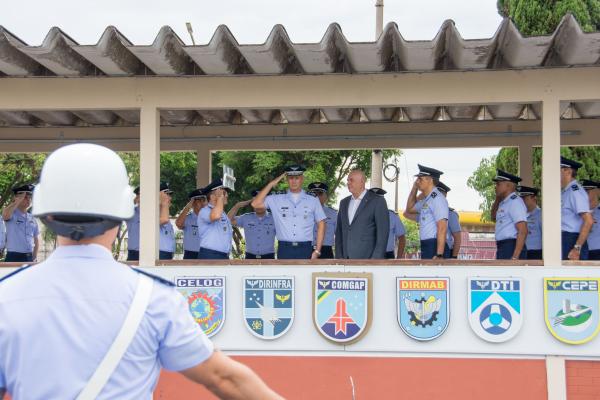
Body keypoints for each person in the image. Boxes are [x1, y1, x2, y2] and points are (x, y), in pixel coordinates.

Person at [0, 143, 282, 400]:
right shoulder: (154, 298)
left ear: (45, 212)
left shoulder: (6, 296)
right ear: (122, 209)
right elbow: (225, 379)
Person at [252, 165, 326, 259]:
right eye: (291, 178)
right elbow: (255, 204)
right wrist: (271, 184)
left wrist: (317, 251)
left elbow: (322, 224)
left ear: (302, 179)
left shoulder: (312, 199)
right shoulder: (276, 198)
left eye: (297, 178)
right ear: (286, 179)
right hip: (284, 248)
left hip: (305, 248)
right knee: (284, 274)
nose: (294, 181)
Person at [335, 169, 389, 259]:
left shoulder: (377, 201)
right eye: (347, 180)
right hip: (345, 260)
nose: (348, 183)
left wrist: (375, 260)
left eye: (351, 180)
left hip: (367, 260)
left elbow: (382, 235)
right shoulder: (344, 202)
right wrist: (339, 257)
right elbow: (339, 233)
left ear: (362, 182)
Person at [404, 165, 448, 260]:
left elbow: (442, 227)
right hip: (426, 244)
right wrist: (414, 188)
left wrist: (439, 254)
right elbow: (409, 209)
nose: (417, 181)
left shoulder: (437, 199)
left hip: (434, 245)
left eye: (420, 179)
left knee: (434, 275)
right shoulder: (427, 200)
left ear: (430, 180)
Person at [126, 183, 176, 261]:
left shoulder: (158, 211)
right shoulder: (134, 212)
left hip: (164, 253)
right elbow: (164, 219)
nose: (168, 197)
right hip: (137, 253)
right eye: (166, 194)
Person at [560, 156, 593, 260]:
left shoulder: (575, 192)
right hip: (566, 239)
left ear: (568, 171)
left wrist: (577, 248)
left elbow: (588, 221)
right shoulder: (567, 191)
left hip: (572, 240)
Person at [491, 170, 528, 260]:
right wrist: (497, 199)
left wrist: (515, 256)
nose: (495, 187)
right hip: (503, 246)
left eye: (498, 184)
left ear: (508, 185)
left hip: (511, 246)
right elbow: (493, 217)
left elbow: (523, 230)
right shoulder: (503, 203)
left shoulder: (515, 202)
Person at [229, 191, 276, 259]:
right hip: (250, 257)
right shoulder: (246, 218)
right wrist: (238, 205)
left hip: (268, 257)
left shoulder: (274, 218)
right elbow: (229, 220)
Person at [1, 184, 39, 262]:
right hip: (13, 256)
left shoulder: (32, 217)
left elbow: (36, 239)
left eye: (29, 197)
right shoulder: (11, 213)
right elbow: (5, 215)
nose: (28, 199)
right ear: (17, 198)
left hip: (29, 257)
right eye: (25, 197)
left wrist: (34, 257)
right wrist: (17, 201)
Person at [197, 179, 233, 260]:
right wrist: (220, 197)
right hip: (210, 255)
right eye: (224, 193)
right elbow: (215, 216)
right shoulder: (205, 211)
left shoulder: (223, 213)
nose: (226, 195)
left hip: (223, 255)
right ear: (213, 197)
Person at [370, 188, 406, 259]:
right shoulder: (364, 216)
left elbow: (402, 238)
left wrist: (398, 259)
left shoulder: (392, 216)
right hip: (369, 255)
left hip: (387, 255)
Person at [175, 188, 208, 259]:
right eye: (199, 200)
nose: (202, 203)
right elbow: (178, 224)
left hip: (205, 253)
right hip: (190, 254)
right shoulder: (188, 218)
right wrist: (188, 207)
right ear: (193, 203)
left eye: (204, 200)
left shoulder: (209, 218)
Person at [308, 182, 337, 259]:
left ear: (326, 196)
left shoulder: (333, 213)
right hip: (307, 249)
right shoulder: (304, 212)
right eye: (314, 194)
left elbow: (339, 236)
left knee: (326, 271)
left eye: (320, 194)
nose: (317, 197)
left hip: (326, 250)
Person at [436, 182, 462, 259]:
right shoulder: (428, 212)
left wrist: (454, 257)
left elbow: (457, 237)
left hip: (445, 250)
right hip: (431, 247)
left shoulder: (451, 214)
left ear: (445, 196)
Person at [517, 185, 543, 260]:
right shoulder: (521, 215)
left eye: (524, 198)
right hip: (522, 252)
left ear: (534, 198)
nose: (522, 200)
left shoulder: (541, 215)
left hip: (536, 253)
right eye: (521, 198)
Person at [582, 179, 599, 260]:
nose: (584, 195)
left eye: (587, 192)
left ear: (596, 192)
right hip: (581, 251)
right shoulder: (578, 212)